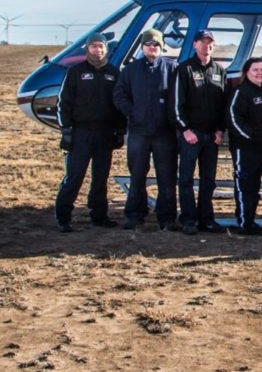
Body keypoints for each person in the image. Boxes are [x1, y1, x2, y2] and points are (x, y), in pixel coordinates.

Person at [55, 34, 125, 232]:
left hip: (105, 132)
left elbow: (118, 104)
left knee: (100, 177)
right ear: (87, 49)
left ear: (106, 49)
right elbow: (64, 102)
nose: (98, 50)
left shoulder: (114, 73)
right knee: (74, 176)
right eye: (94, 47)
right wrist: (66, 131)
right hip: (81, 132)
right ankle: (63, 217)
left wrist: (120, 130)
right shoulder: (75, 72)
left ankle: (99, 215)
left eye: (101, 47)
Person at [113, 28, 178, 231]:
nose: (153, 48)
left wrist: (171, 118)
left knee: (166, 176)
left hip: (164, 133)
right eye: (149, 44)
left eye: (156, 44)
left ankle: (167, 217)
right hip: (139, 132)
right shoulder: (130, 71)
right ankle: (135, 214)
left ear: (162, 46)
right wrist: (133, 112)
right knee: (137, 174)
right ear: (142, 47)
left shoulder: (172, 68)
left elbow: (179, 96)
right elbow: (119, 94)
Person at [174, 29, 228, 234]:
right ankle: (188, 219)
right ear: (195, 44)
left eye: (210, 42)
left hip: (211, 136)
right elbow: (176, 103)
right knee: (186, 178)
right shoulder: (184, 69)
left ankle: (207, 218)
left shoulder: (220, 71)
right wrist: (185, 129)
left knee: (209, 179)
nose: (207, 46)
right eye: (203, 42)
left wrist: (220, 130)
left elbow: (223, 104)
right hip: (191, 135)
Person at [228, 56, 262, 236]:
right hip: (245, 148)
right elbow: (233, 118)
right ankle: (244, 222)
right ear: (247, 72)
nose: (259, 73)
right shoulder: (241, 92)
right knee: (244, 184)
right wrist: (251, 136)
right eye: (255, 70)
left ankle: (250, 220)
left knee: (254, 186)